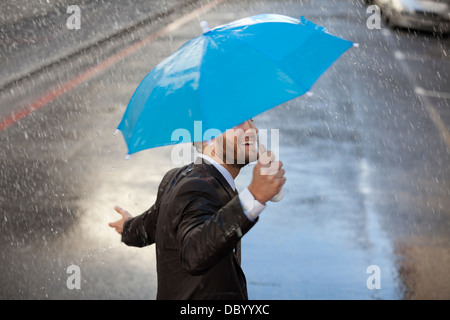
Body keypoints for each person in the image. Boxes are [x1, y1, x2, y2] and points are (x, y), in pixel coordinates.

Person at [108, 119, 286, 299]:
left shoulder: (177, 177)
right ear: (209, 139)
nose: (252, 130)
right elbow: (194, 253)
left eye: (251, 121)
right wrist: (254, 195)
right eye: (238, 123)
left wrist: (128, 226)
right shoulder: (198, 186)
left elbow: (153, 226)